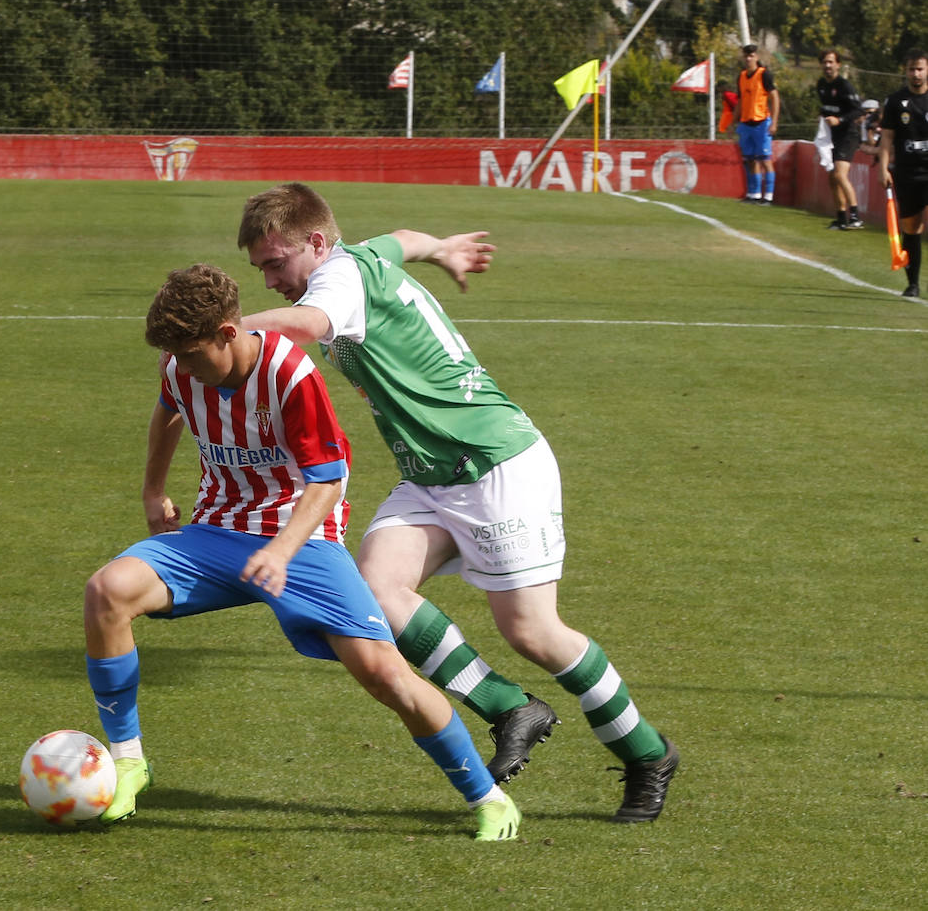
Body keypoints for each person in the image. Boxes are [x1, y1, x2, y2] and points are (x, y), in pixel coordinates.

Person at [235, 183, 679, 823]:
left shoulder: (336, 282)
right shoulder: (358, 257)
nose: (273, 279)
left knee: (533, 632)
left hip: (494, 464)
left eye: (277, 263)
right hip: (431, 474)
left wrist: (227, 327)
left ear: (316, 243)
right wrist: (442, 249)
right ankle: (509, 707)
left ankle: (647, 755)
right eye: (261, 270)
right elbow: (405, 240)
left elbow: (307, 325)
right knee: (377, 593)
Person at [83, 263, 521, 840]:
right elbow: (167, 409)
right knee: (106, 592)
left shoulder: (290, 375)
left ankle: (488, 798)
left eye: (192, 355)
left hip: (303, 536)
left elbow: (326, 481)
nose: (182, 367)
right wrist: (153, 490)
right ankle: (129, 761)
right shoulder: (179, 365)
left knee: (383, 675)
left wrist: (282, 551)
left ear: (227, 332)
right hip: (215, 531)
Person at [879, 50, 928, 298]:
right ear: (905, 70)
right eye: (911, 69)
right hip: (908, 172)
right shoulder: (896, 102)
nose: (915, 74)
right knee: (912, 227)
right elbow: (887, 137)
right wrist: (883, 167)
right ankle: (913, 284)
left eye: (919, 68)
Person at [816, 50, 865, 229]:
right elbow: (828, 108)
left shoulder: (844, 86)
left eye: (831, 62)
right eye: (824, 62)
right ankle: (841, 218)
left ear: (838, 65)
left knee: (839, 174)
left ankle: (855, 216)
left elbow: (858, 110)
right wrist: (822, 116)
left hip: (848, 135)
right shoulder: (821, 84)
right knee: (832, 177)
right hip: (831, 137)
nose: (827, 66)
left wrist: (840, 120)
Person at [736, 44, 780, 204]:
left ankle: (768, 196)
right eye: (746, 56)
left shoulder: (764, 74)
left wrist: (774, 122)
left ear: (757, 57)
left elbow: (774, 97)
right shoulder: (741, 76)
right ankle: (753, 194)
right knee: (749, 159)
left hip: (761, 122)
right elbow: (740, 101)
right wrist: (733, 121)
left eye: (751, 55)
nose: (748, 59)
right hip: (746, 123)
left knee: (765, 159)